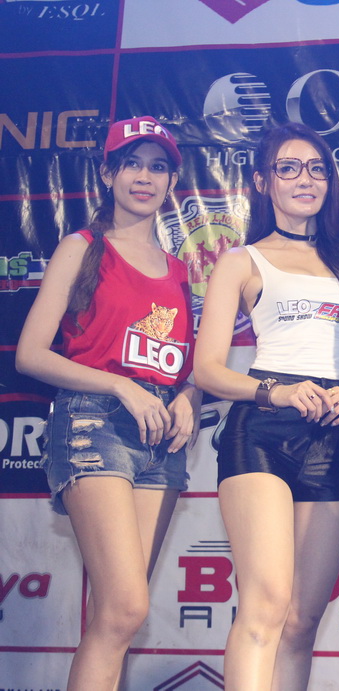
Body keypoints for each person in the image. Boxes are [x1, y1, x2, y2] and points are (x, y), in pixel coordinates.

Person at [193, 121, 339, 690]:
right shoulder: (242, 260)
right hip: (262, 429)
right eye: (288, 168)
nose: (306, 179)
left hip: (336, 435)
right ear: (263, 181)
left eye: (317, 168)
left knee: (302, 621)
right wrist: (275, 391)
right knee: (266, 604)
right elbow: (207, 369)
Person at [16, 116, 200, 690]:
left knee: (118, 617)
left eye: (157, 167)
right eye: (132, 164)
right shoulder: (83, 247)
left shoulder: (180, 271)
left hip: (161, 440)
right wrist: (120, 385)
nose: (144, 177)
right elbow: (30, 354)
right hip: (94, 423)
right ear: (107, 173)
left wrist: (190, 396)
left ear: (171, 181)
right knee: (124, 607)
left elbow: (183, 365)